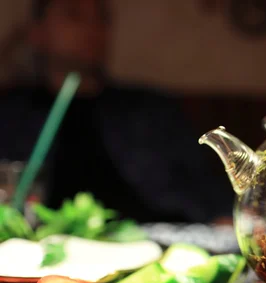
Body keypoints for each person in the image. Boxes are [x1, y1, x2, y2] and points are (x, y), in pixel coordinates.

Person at [0, 0, 233, 223]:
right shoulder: (12, 115)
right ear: (37, 32)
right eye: (74, 15)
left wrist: (223, 216)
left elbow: (206, 185)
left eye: (101, 18)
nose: (93, 28)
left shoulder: (150, 110)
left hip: (153, 240)